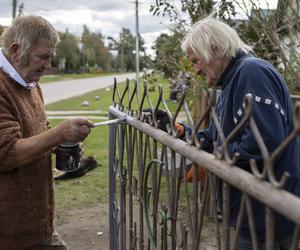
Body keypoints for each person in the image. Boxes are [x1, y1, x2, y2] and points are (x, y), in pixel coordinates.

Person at [180, 16, 300, 249]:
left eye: (196, 61)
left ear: (214, 49)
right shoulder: (229, 83)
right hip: (252, 208)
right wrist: (184, 133)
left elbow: (264, 142)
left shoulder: (252, 72)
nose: (194, 70)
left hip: (268, 211)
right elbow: (217, 137)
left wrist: (213, 159)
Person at [0, 16, 94, 249]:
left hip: (37, 225)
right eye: (42, 57)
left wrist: (59, 145)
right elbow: (7, 153)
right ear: (15, 50)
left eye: (50, 57)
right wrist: (61, 134)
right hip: (9, 234)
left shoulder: (31, 84)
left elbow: (39, 131)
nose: (48, 65)